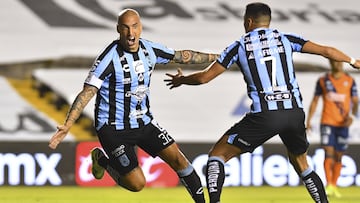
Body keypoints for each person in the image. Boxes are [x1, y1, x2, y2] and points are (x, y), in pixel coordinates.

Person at [164, 2, 360, 203]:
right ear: (268, 21)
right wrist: (353, 61)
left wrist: (182, 80)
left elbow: (204, 78)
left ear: (248, 21)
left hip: (265, 115)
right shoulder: (285, 39)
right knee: (301, 162)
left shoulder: (239, 46)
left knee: (217, 155)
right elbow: (327, 51)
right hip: (294, 112)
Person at [48, 8, 218, 203]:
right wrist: (68, 124)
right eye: (126, 28)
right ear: (118, 29)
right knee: (137, 184)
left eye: (135, 27)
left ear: (141, 28)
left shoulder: (149, 50)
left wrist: (218, 58)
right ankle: (102, 160)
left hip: (144, 122)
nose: (131, 34)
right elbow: (87, 92)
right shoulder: (108, 59)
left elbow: (183, 56)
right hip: (113, 129)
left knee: (180, 160)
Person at [306, 59, 358, 198]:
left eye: (340, 62)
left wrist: (352, 116)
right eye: (335, 62)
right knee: (328, 152)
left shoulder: (350, 80)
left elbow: (355, 101)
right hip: (327, 122)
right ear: (331, 64)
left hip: (342, 124)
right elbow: (315, 100)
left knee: (339, 155)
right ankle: (328, 184)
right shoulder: (323, 81)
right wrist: (309, 120)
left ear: (342, 64)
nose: (338, 64)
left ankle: (334, 185)